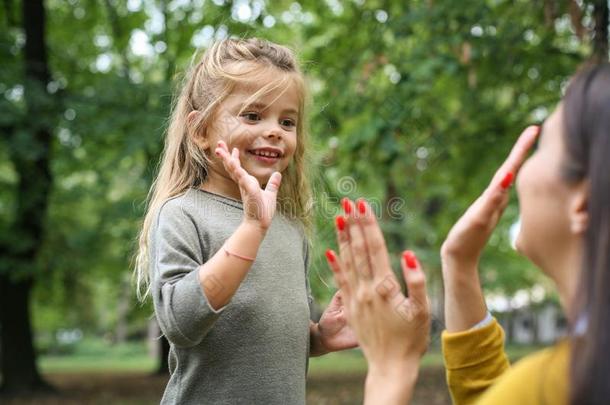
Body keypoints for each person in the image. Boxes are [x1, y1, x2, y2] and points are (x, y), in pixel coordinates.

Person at [326, 62, 610, 404]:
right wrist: (459, 263)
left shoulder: (558, 383)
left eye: (540, 149)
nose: (520, 171)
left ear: (583, 204)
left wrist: (391, 369)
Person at [133, 38, 356, 405]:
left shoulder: (289, 228)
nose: (275, 130)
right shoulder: (182, 213)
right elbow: (180, 324)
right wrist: (251, 231)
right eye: (253, 115)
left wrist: (319, 337)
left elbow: (265, 337)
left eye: (288, 121)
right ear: (201, 130)